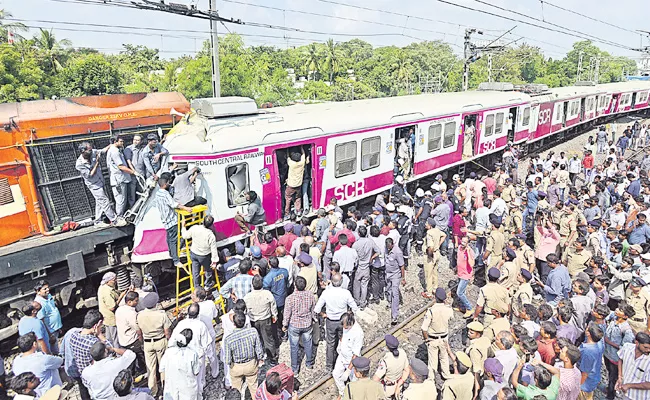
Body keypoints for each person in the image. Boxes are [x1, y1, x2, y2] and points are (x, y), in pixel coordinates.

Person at [75, 141, 123, 226]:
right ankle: (114, 220)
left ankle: (97, 221)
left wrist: (111, 145)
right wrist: (97, 163)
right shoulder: (79, 164)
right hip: (94, 185)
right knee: (104, 201)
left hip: (100, 181)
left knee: (99, 202)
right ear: (83, 151)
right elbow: (90, 175)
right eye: (89, 150)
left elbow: (102, 151)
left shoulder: (93, 152)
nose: (91, 151)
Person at [135, 292, 172, 397]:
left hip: (147, 343)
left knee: (150, 369)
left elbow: (139, 333)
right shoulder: (161, 314)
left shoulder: (139, 315)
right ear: (155, 303)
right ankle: (165, 388)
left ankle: (153, 391)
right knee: (163, 366)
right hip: (160, 341)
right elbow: (167, 332)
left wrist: (142, 342)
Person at [169, 303, 211, 394]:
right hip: (198, 356)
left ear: (187, 313)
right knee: (199, 380)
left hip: (183, 356)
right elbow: (206, 343)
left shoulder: (181, 324)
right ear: (198, 314)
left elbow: (172, 341)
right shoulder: (201, 325)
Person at [223, 312, 264, 399]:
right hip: (251, 364)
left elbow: (227, 360)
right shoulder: (253, 332)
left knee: (236, 391)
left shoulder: (228, 339)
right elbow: (259, 349)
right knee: (254, 387)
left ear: (233, 323)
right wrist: (260, 359)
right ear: (245, 321)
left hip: (236, 367)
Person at [155, 176, 193, 269]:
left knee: (169, 238)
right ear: (164, 185)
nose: (169, 184)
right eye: (168, 183)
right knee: (174, 240)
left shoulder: (158, 194)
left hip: (165, 220)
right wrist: (186, 208)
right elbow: (174, 204)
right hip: (172, 220)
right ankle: (176, 260)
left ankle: (172, 254)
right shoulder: (165, 194)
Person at [12, 333, 63, 397]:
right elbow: (60, 361)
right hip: (49, 393)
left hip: (31, 395)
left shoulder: (16, 361)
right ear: (34, 344)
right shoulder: (42, 359)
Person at [283, 276, 316, 374]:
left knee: (294, 347)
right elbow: (313, 310)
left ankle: (295, 369)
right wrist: (314, 319)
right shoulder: (311, 296)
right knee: (308, 344)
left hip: (294, 325)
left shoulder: (290, 298)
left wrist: (284, 325)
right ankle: (309, 363)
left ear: (295, 286)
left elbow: (287, 314)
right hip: (307, 324)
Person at [604, 302, 636, 399]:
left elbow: (624, 348)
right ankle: (609, 389)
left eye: (620, 310)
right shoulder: (614, 318)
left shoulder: (626, 330)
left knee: (613, 378)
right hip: (607, 353)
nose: (617, 310)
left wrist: (609, 342)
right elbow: (606, 316)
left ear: (625, 316)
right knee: (609, 373)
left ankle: (610, 395)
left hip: (615, 357)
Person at [244, 274, 279, 365]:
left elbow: (245, 310)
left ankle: (259, 357)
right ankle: (273, 359)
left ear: (252, 284)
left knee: (256, 339)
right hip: (265, 319)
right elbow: (273, 306)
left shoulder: (247, 297)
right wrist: (274, 315)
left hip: (253, 320)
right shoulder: (267, 294)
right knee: (268, 339)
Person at [421, 288, 453, 380]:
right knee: (444, 358)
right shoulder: (448, 309)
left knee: (432, 361)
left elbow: (424, 328)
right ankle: (446, 375)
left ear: (435, 297)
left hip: (433, 339)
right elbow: (451, 318)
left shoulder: (431, 311)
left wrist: (427, 339)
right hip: (444, 338)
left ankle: (431, 379)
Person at [160, 329, 201, 400]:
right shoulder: (192, 354)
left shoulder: (168, 352)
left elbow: (162, 370)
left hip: (171, 389)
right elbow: (196, 372)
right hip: (187, 391)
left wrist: (163, 385)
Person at [181, 215, 218, 290]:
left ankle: (197, 287)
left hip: (194, 253)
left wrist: (183, 226)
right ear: (211, 225)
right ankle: (207, 284)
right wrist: (214, 262)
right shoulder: (211, 235)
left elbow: (185, 236)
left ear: (203, 221)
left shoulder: (195, 228)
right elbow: (213, 249)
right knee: (208, 270)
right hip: (204, 256)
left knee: (195, 272)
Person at [333, 312, 364, 396]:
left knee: (354, 381)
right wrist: (340, 344)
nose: (344, 328)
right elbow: (344, 334)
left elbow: (355, 354)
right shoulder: (346, 325)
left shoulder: (358, 333)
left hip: (351, 360)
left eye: (345, 326)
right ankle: (343, 392)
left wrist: (348, 370)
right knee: (336, 374)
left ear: (350, 323)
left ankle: (354, 396)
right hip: (342, 356)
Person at [115, 291, 146, 374]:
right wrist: (141, 341)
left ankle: (131, 373)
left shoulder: (119, 309)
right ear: (129, 302)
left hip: (122, 340)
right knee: (141, 356)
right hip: (132, 341)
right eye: (136, 301)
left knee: (129, 359)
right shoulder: (132, 314)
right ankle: (142, 371)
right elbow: (138, 330)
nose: (137, 302)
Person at [106, 135, 136, 216]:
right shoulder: (114, 151)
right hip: (118, 181)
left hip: (121, 179)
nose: (123, 143)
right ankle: (119, 217)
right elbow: (121, 166)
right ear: (115, 142)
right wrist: (133, 172)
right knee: (121, 200)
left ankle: (121, 215)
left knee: (122, 199)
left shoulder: (116, 150)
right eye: (121, 141)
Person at [97, 272, 129, 348]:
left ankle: (110, 352)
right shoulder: (108, 292)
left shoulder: (102, 287)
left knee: (109, 337)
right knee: (115, 338)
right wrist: (121, 296)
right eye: (114, 280)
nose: (116, 281)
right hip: (110, 317)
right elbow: (112, 307)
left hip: (105, 317)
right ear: (108, 281)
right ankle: (118, 354)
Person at [616, 332, 650, 399]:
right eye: (645, 347)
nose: (648, 350)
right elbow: (620, 359)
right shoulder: (626, 347)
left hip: (639, 397)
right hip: (625, 394)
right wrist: (620, 377)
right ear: (636, 343)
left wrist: (629, 385)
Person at [33, 281, 63, 354]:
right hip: (50, 331)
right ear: (38, 292)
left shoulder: (48, 296)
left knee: (55, 345)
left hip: (54, 328)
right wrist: (50, 335)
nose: (48, 290)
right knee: (53, 349)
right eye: (44, 289)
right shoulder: (38, 303)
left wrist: (59, 328)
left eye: (47, 287)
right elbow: (42, 321)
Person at [579, 322, 605, 399]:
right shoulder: (599, 343)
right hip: (594, 377)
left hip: (585, 384)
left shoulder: (588, 352)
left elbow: (585, 373)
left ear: (588, 334)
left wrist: (578, 386)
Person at [422, 218, 446, 299]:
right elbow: (444, 235)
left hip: (430, 255)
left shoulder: (429, 233)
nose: (425, 225)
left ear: (430, 225)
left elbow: (430, 247)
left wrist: (429, 255)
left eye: (427, 224)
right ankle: (435, 288)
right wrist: (438, 244)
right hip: (437, 253)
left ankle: (429, 292)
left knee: (428, 274)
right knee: (435, 272)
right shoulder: (437, 230)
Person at [384, 237, 405, 326]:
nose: (388, 248)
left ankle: (394, 315)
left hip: (395, 275)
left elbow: (402, 266)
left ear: (392, 244)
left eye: (389, 247)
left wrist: (403, 278)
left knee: (395, 293)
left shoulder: (398, 252)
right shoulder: (385, 249)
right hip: (388, 274)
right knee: (388, 290)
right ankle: (389, 303)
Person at [285, 147, 306, 219]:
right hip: (298, 184)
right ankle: (298, 210)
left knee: (288, 198)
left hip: (290, 185)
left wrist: (287, 150)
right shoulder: (302, 163)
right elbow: (303, 154)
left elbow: (287, 157)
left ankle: (287, 213)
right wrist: (301, 147)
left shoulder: (292, 164)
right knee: (298, 198)